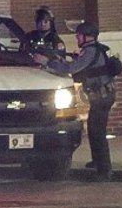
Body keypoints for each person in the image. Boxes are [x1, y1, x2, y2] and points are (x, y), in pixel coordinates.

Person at [37, 22, 116, 181]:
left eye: (79, 34)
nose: (77, 37)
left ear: (88, 36)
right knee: (94, 130)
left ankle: (104, 170)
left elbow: (71, 69)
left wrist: (47, 62)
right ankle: (97, 162)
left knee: (97, 132)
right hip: (102, 96)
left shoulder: (90, 52)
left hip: (102, 97)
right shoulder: (91, 51)